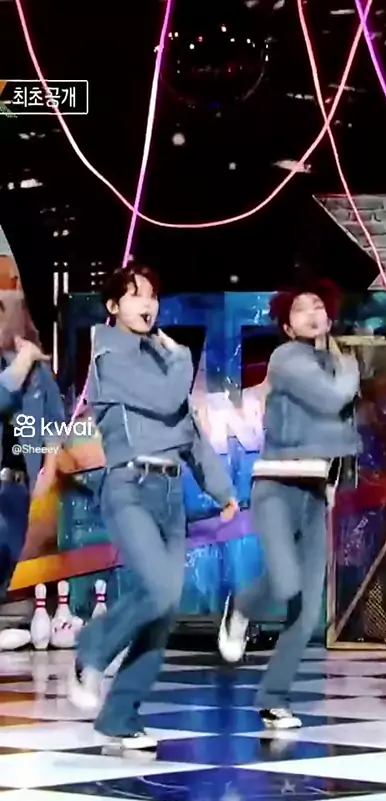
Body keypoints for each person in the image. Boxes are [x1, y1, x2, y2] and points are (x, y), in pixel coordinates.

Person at [68, 262, 238, 751]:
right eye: (135, 294)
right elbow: (167, 399)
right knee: (160, 592)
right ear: (113, 306)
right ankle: (93, 647)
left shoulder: (164, 359)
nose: (148, 304)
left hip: (170, 494)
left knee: (163, 613)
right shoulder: (108, 354)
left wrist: (222, 490)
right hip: (128, 485)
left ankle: (120, 715)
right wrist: (182, 357)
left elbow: (190, 433)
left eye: (153, 295)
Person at [218, 286, 360, 729]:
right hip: (276, 486)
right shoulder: (286, 358)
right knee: (285, 583)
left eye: (318, 306)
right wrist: (351, 369)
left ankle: (274, 697)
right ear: (286, 324)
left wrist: (333, 484)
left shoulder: (333, 363)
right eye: (301, 309)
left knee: (307, 607)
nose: (312, 313)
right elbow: (332, 399)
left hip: (315, 492)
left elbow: (341, 435)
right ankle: (241, 607)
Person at [0, 292, 64, 600]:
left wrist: (48, 469)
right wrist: (22, 362)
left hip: (17, 485)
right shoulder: (22, 365)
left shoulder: (39, 372)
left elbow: (54, 420)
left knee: (7, 563)